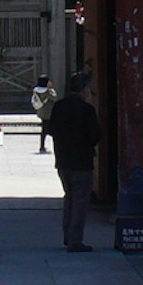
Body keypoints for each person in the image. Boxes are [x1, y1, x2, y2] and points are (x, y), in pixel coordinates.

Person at [43, 81, 103, 251]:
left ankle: (68, 235)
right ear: (84, 91)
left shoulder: (59, 107)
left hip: (63, 160)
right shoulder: (87, 110)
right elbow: (95, 135)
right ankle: (76, 240)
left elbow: (51, 129)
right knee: (80, 201)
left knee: (69, 197)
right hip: (82, 161)